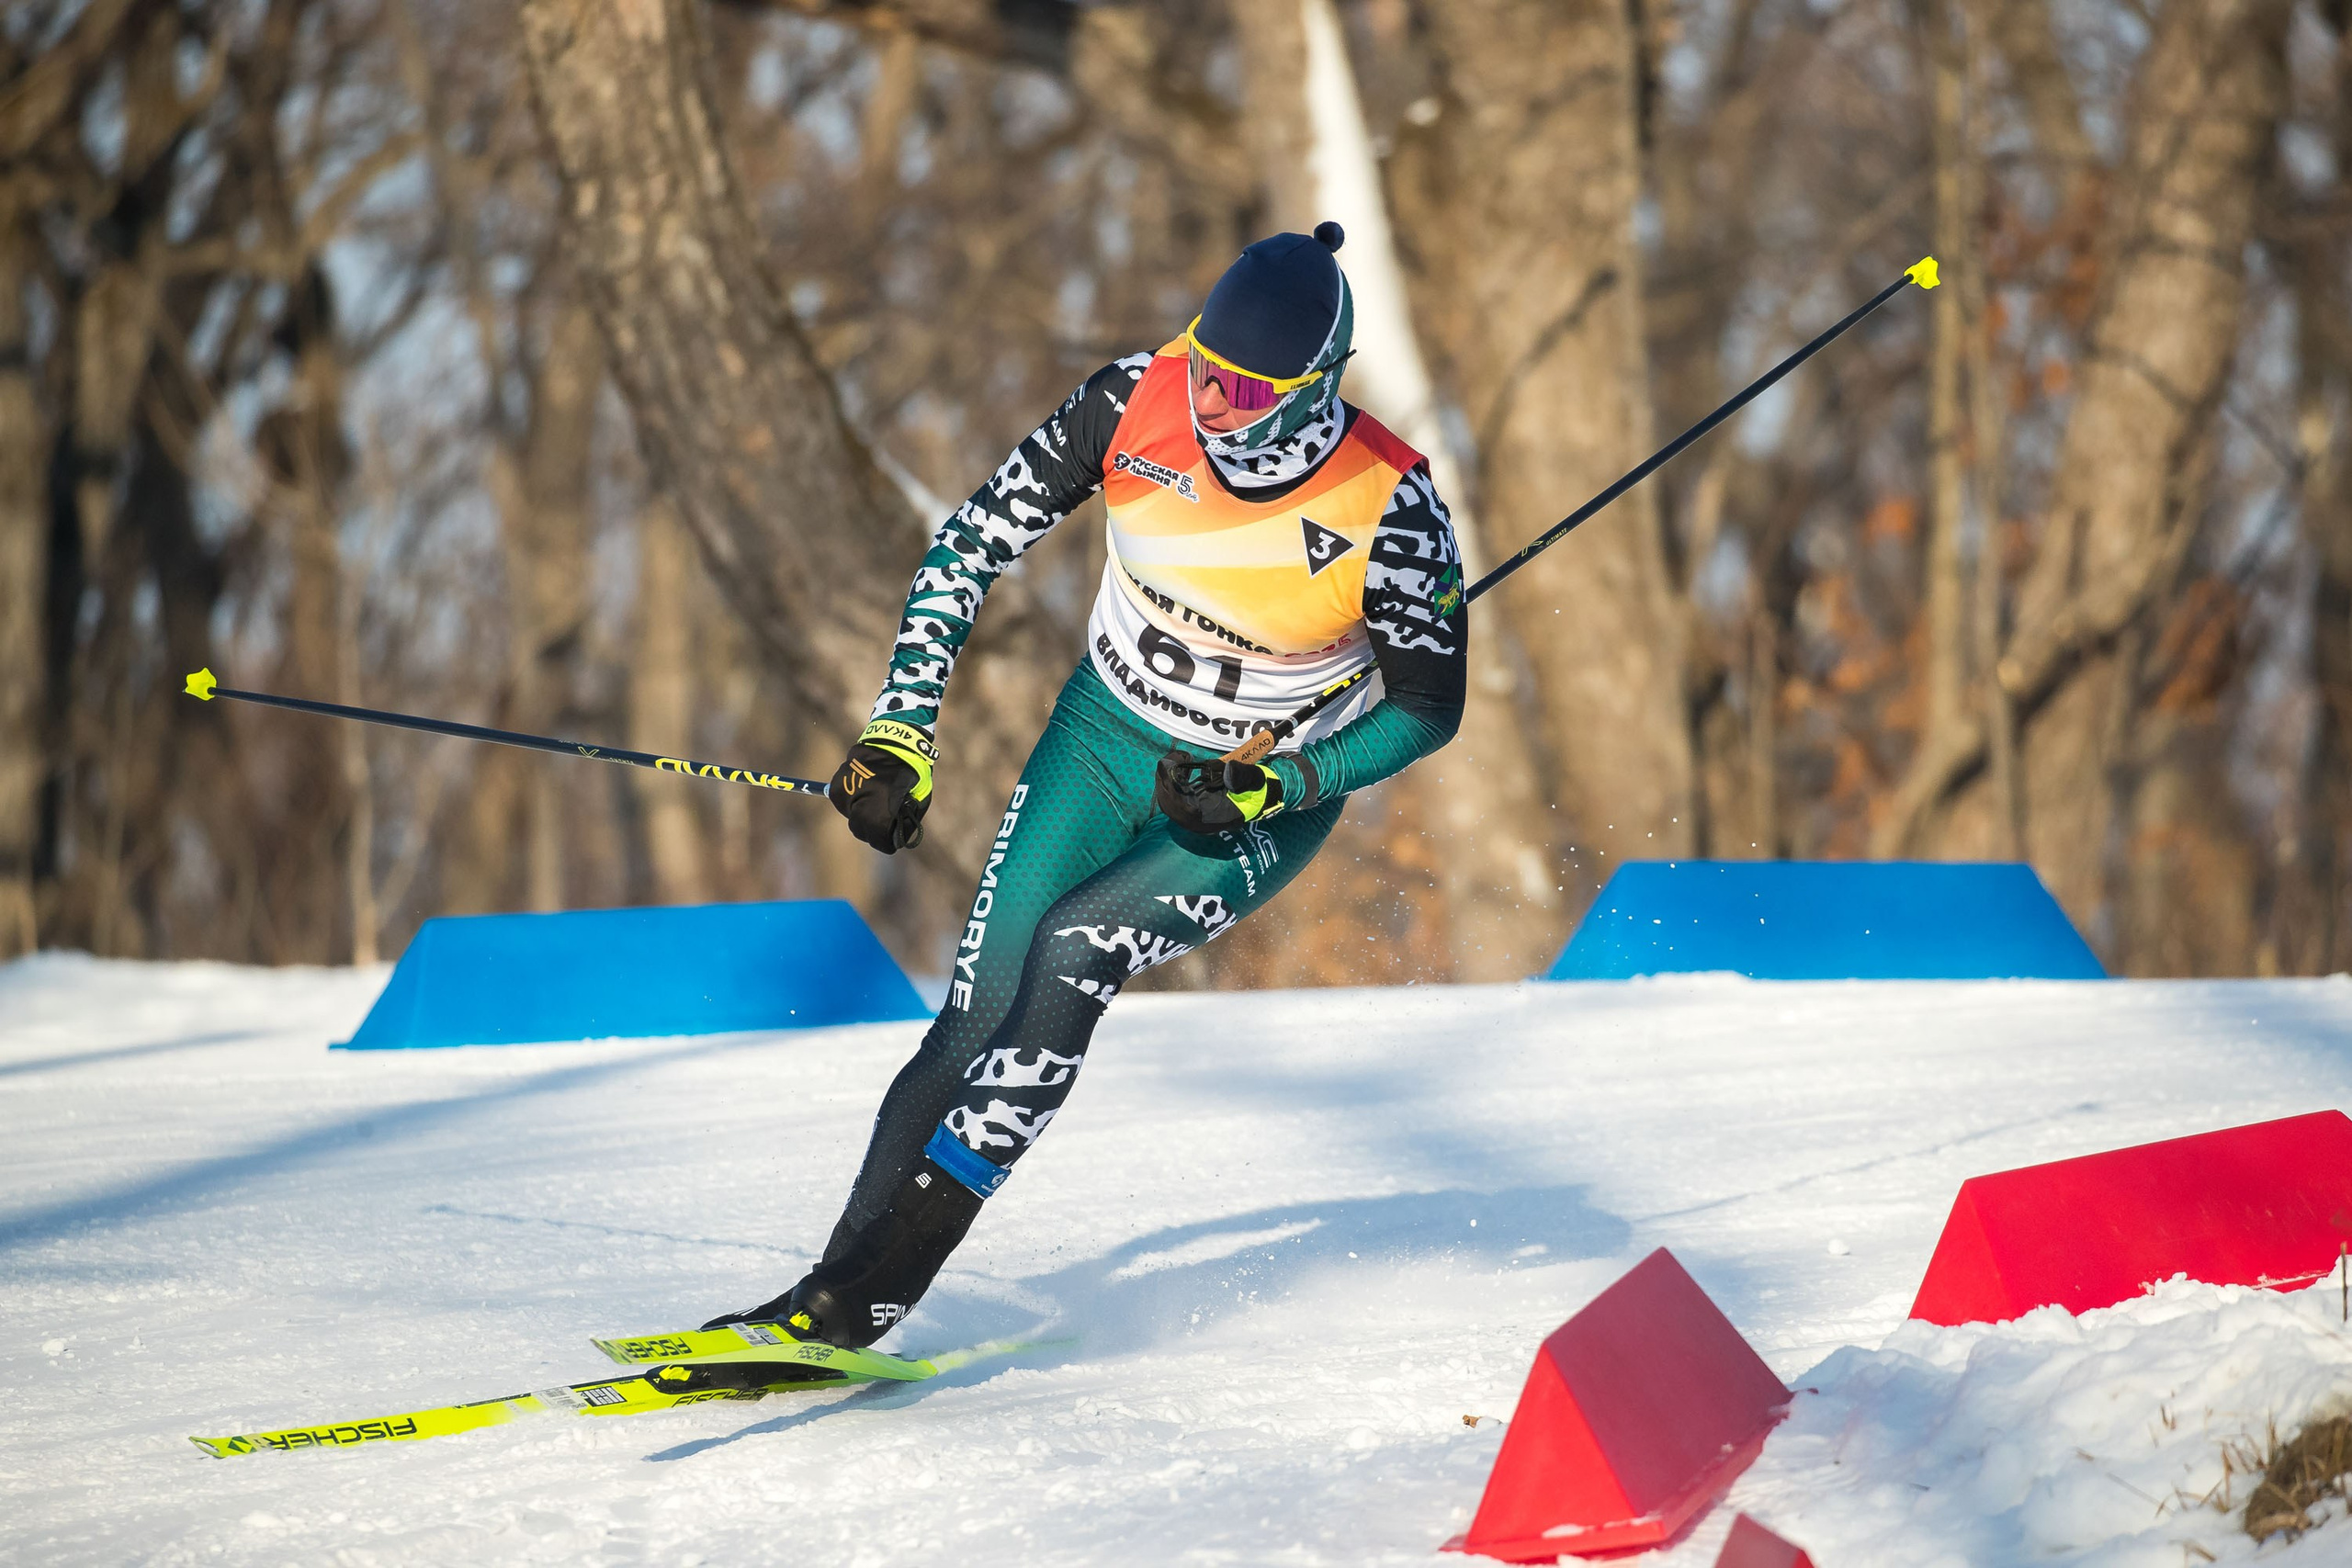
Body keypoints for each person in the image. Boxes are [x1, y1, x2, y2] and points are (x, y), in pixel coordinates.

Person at [707, 222, 1468, 1347]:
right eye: (1207, 368)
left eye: (1246, 393)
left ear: (1313, 393)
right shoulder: (1132, 400)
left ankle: (882, 1289)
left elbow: (1427, 708)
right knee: (971, 1020)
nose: (1211, 405)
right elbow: (968, 543)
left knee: (1077, 949)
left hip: (1245, 795)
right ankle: (827, 1293)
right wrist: (901, 731)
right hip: (1100, 740)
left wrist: (1290, 779)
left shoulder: (1392, 508)